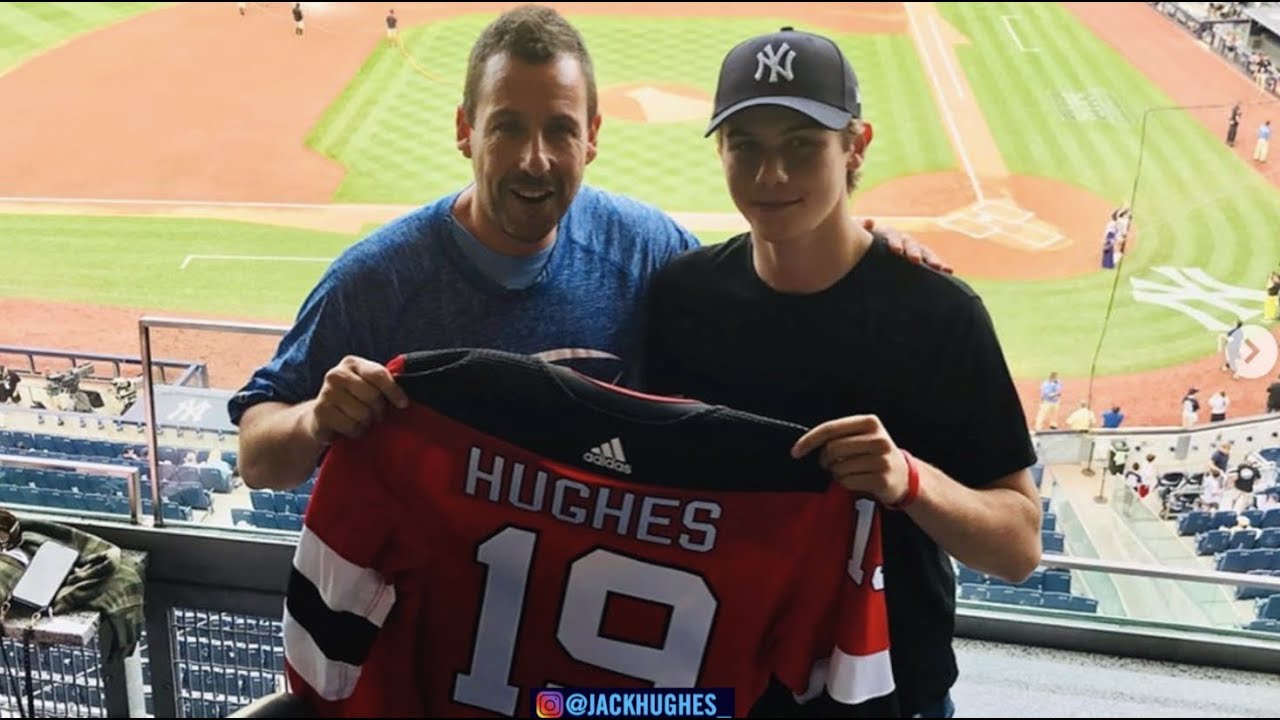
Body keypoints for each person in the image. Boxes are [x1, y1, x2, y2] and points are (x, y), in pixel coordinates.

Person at [228, 5, 946, 493]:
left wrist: (859, 250)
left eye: (561, 129)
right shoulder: (377, 280)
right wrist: (315, 420)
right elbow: (258, 458)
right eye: (508, 127)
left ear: (593, 136)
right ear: (465, 131)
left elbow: (756, 290)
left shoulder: (647, 248)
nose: (535, 159)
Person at [640, 26, 1041, 718]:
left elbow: (1019, 549)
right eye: (746, 145)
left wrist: (909, 481)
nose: (771, 175)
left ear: (856, 146)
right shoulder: (681, 297)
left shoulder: (939, 315)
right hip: (720, 684)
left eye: (802, 145)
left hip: (889, 695)